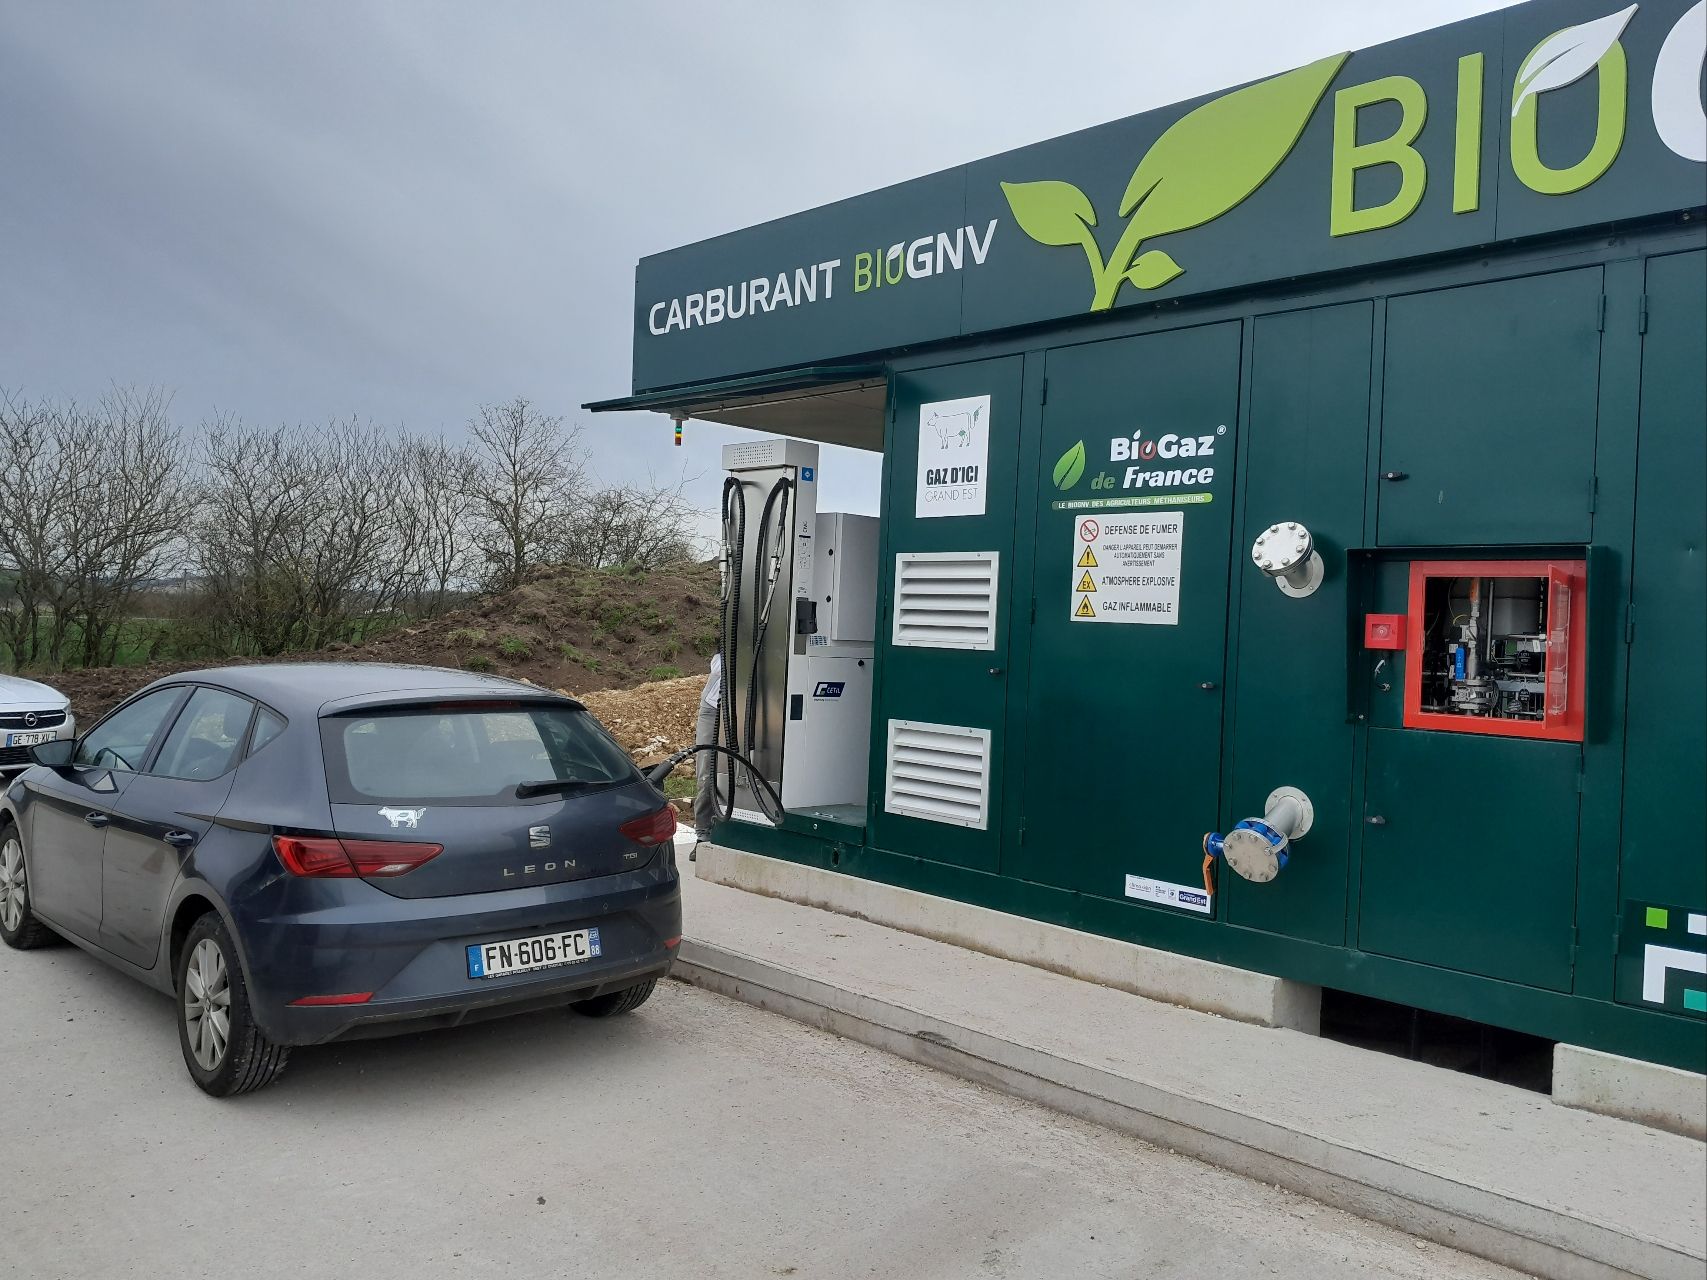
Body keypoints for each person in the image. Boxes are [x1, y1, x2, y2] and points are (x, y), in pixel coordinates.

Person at [691, 651, 722, 854]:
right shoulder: (731, 641)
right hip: (714, 707)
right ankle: (703, 834)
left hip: (748, 704)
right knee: (707, 773)